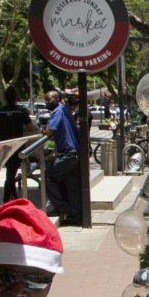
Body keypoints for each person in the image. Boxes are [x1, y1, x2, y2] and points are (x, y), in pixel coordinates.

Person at [0, 85, 39, 203]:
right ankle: (7, 200)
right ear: (16, 97)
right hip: (16, 145)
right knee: (11, 173)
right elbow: (31, 128)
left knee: (9, 171)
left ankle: (11, 195)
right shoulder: (21, 111)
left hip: (2, 145)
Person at [43, 89, 82, 226]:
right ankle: (75, 214)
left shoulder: (58, 111)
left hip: (68, 153)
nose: (47, 103)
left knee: (48, 177)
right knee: (72, 185)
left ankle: (62, 207)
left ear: (58, 99)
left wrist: (43, 131)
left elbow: (50, 131)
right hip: (74, 152)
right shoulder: (65, 109)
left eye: (49, 100)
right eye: (45, 100)